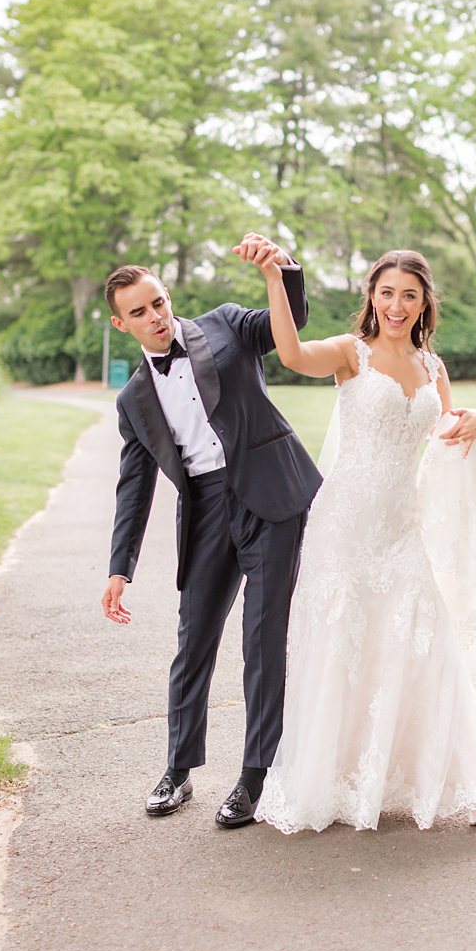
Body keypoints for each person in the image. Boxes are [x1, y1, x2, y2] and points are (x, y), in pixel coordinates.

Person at [244, 244, 476, 832]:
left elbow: (446, 430)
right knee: (344, 651)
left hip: (399, 532)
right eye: (387, 293)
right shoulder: (351, 354)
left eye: (410, 295)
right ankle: (336, 779)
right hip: (342, 530)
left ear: (424, 305)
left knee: (426, 646)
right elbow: (290, 354)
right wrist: (275, 278)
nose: (397, 305)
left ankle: (469, 783)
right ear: (372, 297)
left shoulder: (432, 368)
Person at [102, 233, 322, 828]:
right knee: (193, 638)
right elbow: (134, 485)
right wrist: (121, 567)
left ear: (169, 297)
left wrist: (283, 270)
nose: (156, 317)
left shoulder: (224, 326)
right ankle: (178, 769)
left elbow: (288, 326)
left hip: (270, 495)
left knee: (260, 637)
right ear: (122, 325)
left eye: (159, 302)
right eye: (140, 312)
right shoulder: (132, 400)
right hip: (204, 510)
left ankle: (255, 775)